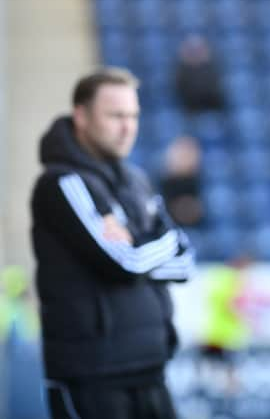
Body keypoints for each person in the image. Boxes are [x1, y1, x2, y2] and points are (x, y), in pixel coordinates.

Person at [30, 67, 196, 419]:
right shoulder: (62, 183)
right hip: (92, 377)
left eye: (133, 116)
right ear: (81, 116)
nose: (127, 127)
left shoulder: (136, 180)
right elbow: (126, 262)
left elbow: (185, 261)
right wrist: (157, 243)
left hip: (151, 369)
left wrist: (142, 245)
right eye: (116, 116)